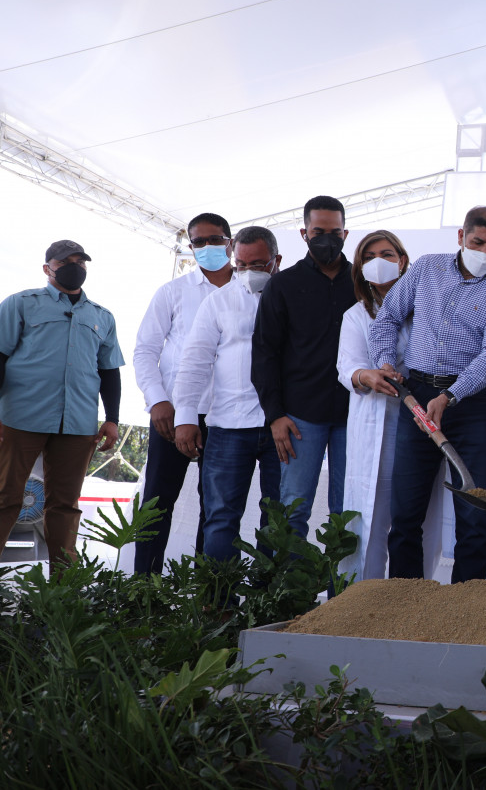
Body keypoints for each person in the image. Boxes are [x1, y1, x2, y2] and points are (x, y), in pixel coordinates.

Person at [370, 206, 486, 581]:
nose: (485, 252)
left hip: (471, 404)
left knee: (474, 512)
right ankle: (404, 596)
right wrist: (385, 362)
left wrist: (451, 395)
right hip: (417, 396)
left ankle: (466, 602)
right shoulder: (427, 268)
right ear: (461, 236)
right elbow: (387, 318)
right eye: (478, 242)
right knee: (405, 511)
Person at [0, 240, 123, 565]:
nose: (75, 267)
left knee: (65, 504)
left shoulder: (102, 316)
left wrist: (112, 418)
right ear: (47, 268)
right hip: (20, 417)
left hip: (78, 422)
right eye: (66, 262)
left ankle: (63, 586)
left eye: (80, 262)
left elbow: (109, 371)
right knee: (5, 498)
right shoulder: (20, 304)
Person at [336, 230, 444, 580]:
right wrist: (366, 376)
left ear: (403, 261)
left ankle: (415, 595)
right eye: (369, 257)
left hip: (420, 422)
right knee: (369, 513)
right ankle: (361, 597)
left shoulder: (427, 310)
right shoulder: (356, 315)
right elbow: (348, 366)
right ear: (358, 267)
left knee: (420, 515)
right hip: (375, 421)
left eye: (386, 254)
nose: (378, 262)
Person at [131, 213, 234, 573]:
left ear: (230, 242)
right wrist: (158, 400)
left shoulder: (249, 291)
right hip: (173, 414)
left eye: (215, 239)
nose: (207, 247)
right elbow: (145, 350)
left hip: (227, 416)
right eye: (199, 242)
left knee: (217, 508)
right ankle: (144, 590)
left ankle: (209, 594)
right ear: (190, 247)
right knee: (157, 503)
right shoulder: (173, 292)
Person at [173, 227, 282, 564]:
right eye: (241, 265)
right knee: (220, 517)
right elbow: (195, 361)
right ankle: (220, 595)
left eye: (258, 265)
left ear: (276, 261)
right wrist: (186, 417)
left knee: (279, 520)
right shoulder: (217, 302)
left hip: (282, 424)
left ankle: (270, 594)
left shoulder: (293, 298)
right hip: (228, 425)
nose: (248, 272)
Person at [252, 196, 356, 537]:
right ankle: (290, 576)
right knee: (293, 511)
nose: (327, 239)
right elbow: (264, 352)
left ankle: (341, 577)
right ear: (304, 233)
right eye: (318, 232)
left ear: (345, 233)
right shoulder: (283, 284)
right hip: (299, 418)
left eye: (335, 232)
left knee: (348, 514)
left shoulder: (362, 283)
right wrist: (275, 415)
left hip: (354, 414)